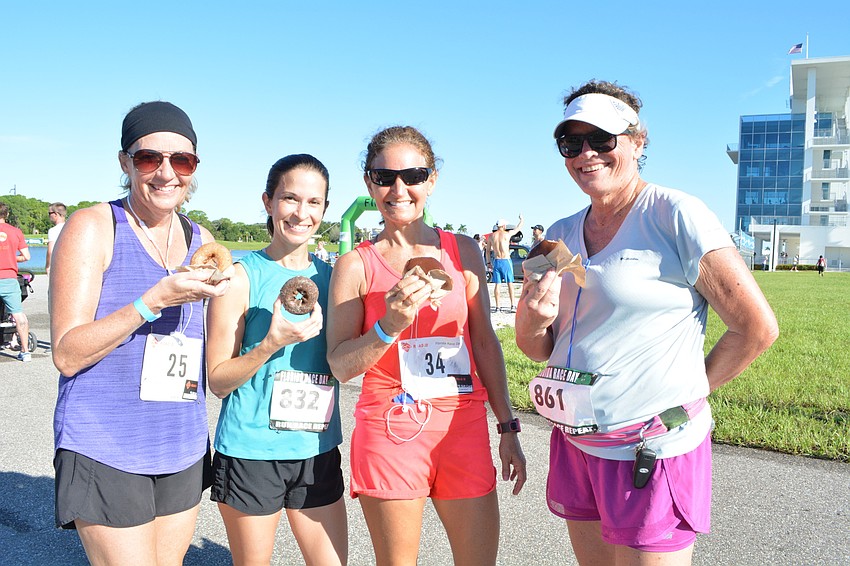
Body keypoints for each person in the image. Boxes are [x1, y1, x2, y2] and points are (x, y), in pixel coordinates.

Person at [516, 80, 778, 565]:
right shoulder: (554, 236)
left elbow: (756, 328)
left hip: (649, 449)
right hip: (576, 441)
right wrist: (532, 320)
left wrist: (679, 400)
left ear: (637, 142)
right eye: (571, 143)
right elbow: (535, 345)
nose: (586, 154)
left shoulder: (677, 215)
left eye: (602, 139)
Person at [326, 125, 526, 565]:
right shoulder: (355, 265)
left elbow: (485, 344)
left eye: (413, 175)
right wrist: (389, 325)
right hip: (390, 425)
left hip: (462, 424)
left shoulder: (465, 251)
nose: (399, 188)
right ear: (369, 183)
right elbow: (340, 364)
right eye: (384, 177)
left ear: (431, 180)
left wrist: (508, 426)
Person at [50, 101, 230, 564]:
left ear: (194, 168)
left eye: (182, 160)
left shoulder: (200, 239)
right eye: (150, 158)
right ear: (125, 162)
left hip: (181, 445)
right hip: (105, 442)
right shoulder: (94, 226)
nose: (166, 173)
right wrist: (154, 300)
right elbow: (68, 353)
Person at [206, 154, 347, 566]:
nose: (302, 213)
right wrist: (268, 344)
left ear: (324, 209)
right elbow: (217, 380)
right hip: (251, 452)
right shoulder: (241, 277)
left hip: (316, 449)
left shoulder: (336, 278)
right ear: (268, 202)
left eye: (314, 202)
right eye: (290, 199)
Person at [0, 201, 31, 362]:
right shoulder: (15, 232)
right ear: (7, 215)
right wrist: (12, 257)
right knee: (18, 315)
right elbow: (26, 256)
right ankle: (25, 352)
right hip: (9, 279)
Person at [485, 215, 523, 313]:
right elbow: (518, 228)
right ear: (504, 226)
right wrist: (521, 219)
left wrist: (488, 262)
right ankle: (513, 305)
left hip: (497, 261)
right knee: (510, 283)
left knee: (497, 284)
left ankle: (498, 307)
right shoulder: (507, 234)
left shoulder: (491, 236)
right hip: (506, 260)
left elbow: (488, 251)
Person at [45, 202, 67, 276]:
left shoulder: (53, 230)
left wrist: (48, 266)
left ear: (56, 214)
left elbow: (50, 251)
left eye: (49, 213)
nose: (49, 216)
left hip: (58, 266)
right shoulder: (72, 228)